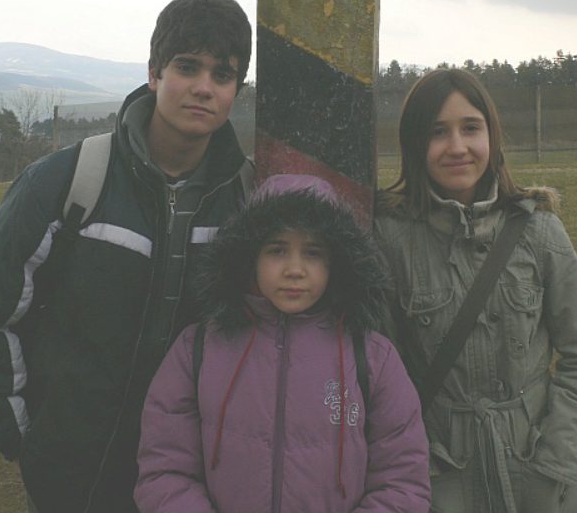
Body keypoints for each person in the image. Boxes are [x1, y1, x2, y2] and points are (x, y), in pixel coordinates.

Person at [0, 0, 253, 513]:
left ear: (236, 91)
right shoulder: (63, 184)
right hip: (72, 478)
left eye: (221, 75)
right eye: (187, 67)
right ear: (154, 73)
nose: (203, 88)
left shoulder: (249, 205)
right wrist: (23, 432)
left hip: (193, 483)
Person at [134, 174, 431, 513]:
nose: (295, 269)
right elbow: (164, 471)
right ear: (250, 257)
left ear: (336, 261)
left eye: (313, 252)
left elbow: (402, 482)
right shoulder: (197, 350)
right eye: (277, 250)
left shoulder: (372, 357)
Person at [374, 68, 577, 513]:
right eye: (438, 132)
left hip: (544, 479)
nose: (457, 147)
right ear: (415, 145)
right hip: (438, 481)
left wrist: (559, 459)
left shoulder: (540, 231)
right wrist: (412, 465)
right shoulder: (389, 240)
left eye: (470, 128)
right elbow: (378, 370)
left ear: (491, 134)